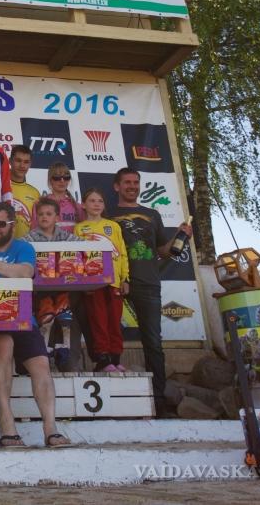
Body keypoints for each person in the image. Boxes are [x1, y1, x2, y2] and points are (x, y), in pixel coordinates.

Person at [0, 202, 71, 449]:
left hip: (23, 317)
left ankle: (51, 428)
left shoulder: (24, 247)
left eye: (0, 224)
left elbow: (26, 272)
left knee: (41, 363)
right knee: (3, 343)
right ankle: (7, 424)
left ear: (12, 225)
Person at [111, 167, 192, 413]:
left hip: (148, 282)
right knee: (110, 338)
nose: (132, 186)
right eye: (127, 182)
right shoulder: (107, 213)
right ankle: (113, 396)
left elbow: (163, 251)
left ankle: (158, 399)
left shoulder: (152, 214)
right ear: (117, 186)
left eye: (136, 182)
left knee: (153, 342)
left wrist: (181, 235)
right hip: (116, 283)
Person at [25, 198, 90, 371]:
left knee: (65, 318)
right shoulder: (28, 238)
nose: (44, 217)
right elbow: (20, 251)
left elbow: (85, 247)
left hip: (64, 288)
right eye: (40, 214)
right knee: (45, 321)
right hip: (40, 290)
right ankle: (43, 356)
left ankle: (65, 354)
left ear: (57, 217)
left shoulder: (66, 236)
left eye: (49, 214)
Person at [75, 187, 130, 372]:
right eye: (92, 201)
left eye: (100, 201)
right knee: (98, 320)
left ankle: (116, 357)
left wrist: (125, 278)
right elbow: (77, 258)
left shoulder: (113, 226)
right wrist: (83, 283)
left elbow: (122, 253)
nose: (96, 204)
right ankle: (103, 359)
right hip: (93, 282)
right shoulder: (79, 228)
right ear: (83, 205)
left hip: (114, 281)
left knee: (115, 320)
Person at [8, 145, 40, 239]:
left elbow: (37, 224)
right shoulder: (0, 187)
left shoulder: (35, 193)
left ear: (30, 164)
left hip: (26, 244)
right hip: (2, 244)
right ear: (10, 161)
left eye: (26, 162)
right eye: (18, 160)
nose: (22, 166)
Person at [46, 162, 84, 235]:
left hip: (73, 242)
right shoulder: (40, 204)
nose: (62, 181)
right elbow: (35, 232)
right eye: (57, 178)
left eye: (66, 177)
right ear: (50, 180)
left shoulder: (77, 207)